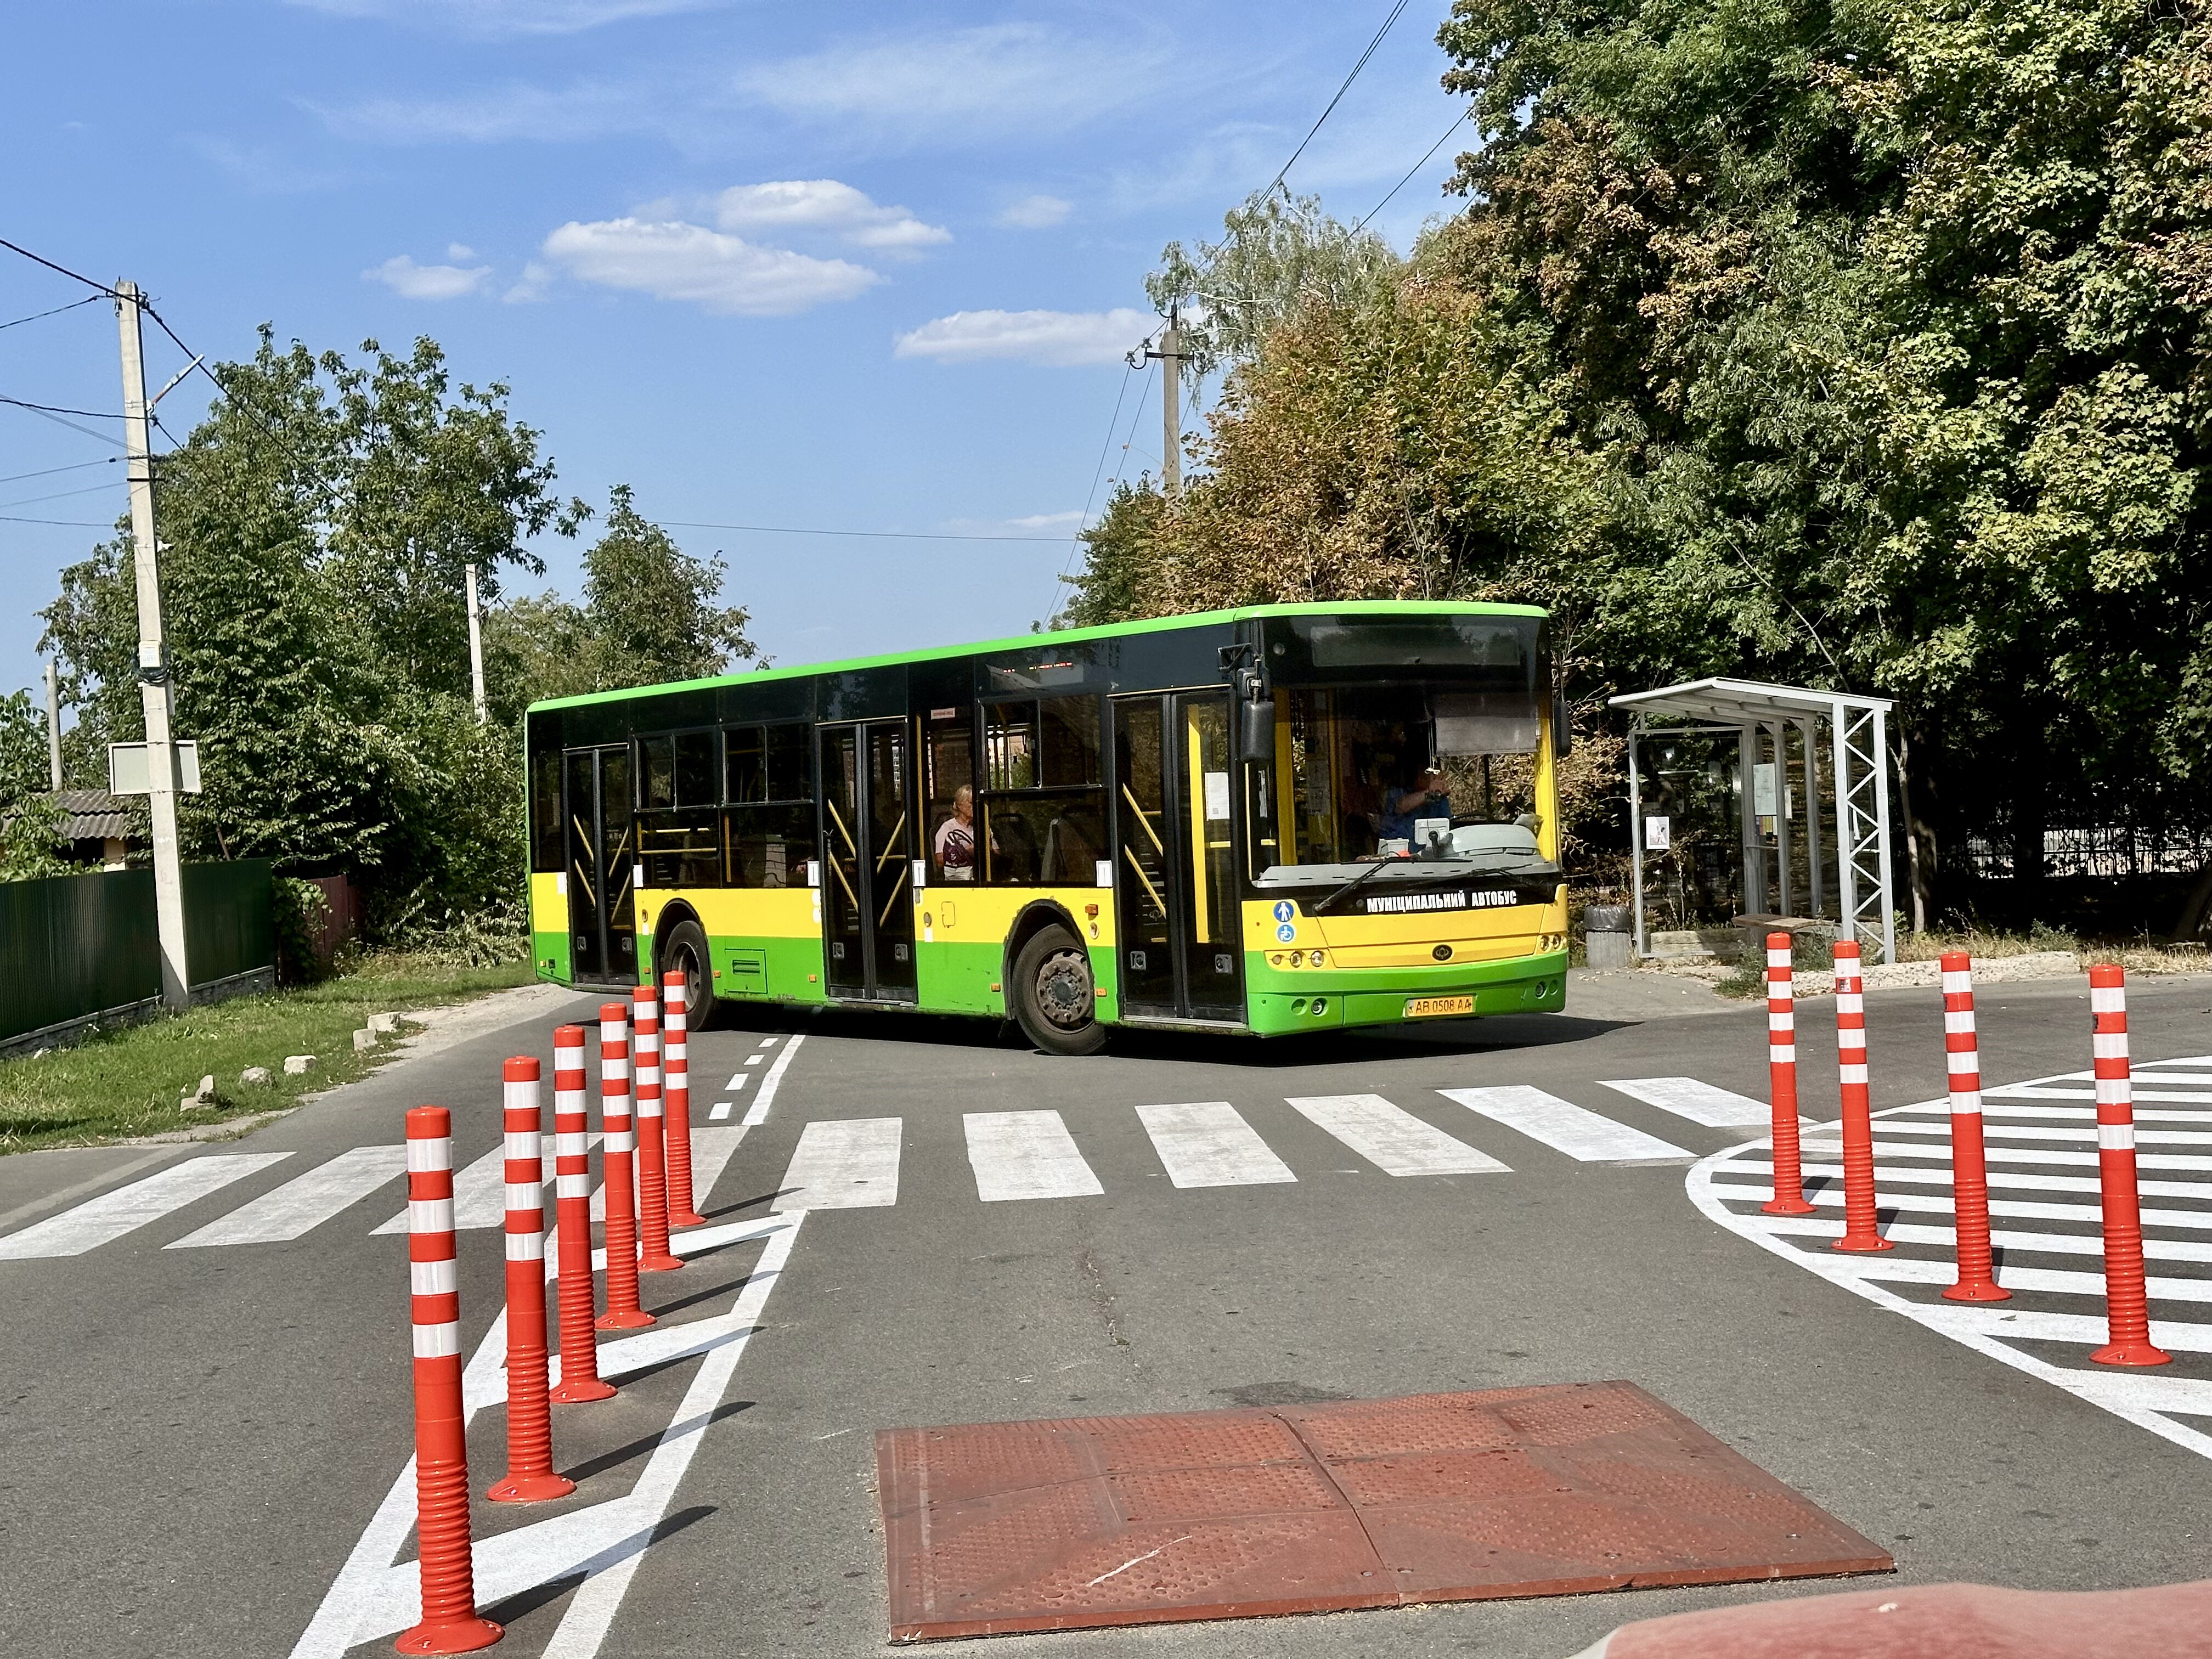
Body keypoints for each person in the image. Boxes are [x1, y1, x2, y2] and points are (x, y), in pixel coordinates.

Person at [1379, 764, 1451, 845]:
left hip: (1431, 851)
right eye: (1429, 775)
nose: (1434, 780)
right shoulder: (1397, 793)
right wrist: (1428, 792)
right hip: (1398, 848)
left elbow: (1447, 824)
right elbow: (1401, 807)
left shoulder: (1440, 799)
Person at [934, 783, 977, 881]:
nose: (975, 806)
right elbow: (940, 861)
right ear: (960, 805)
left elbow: (997, 854)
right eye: (971, 803)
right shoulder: (948, 828)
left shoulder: (982, 827)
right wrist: (965, 852)